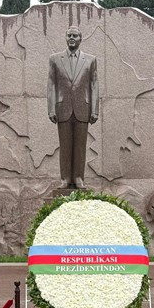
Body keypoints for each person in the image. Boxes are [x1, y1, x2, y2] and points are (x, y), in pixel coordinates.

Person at [47, 25, 99, 189]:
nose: (71, 38)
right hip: (63, 109)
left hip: (83, 109)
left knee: (80, 146)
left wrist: (95, 110)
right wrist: (51, 108)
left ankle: (78, 177)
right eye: (69, 35)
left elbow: (94, 86)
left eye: (75, 36)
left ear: (80, 39)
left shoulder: (90, 60)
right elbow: (51, 85)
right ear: (65, 37)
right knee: (65, 145)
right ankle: (65, 178)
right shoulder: (55, 59)